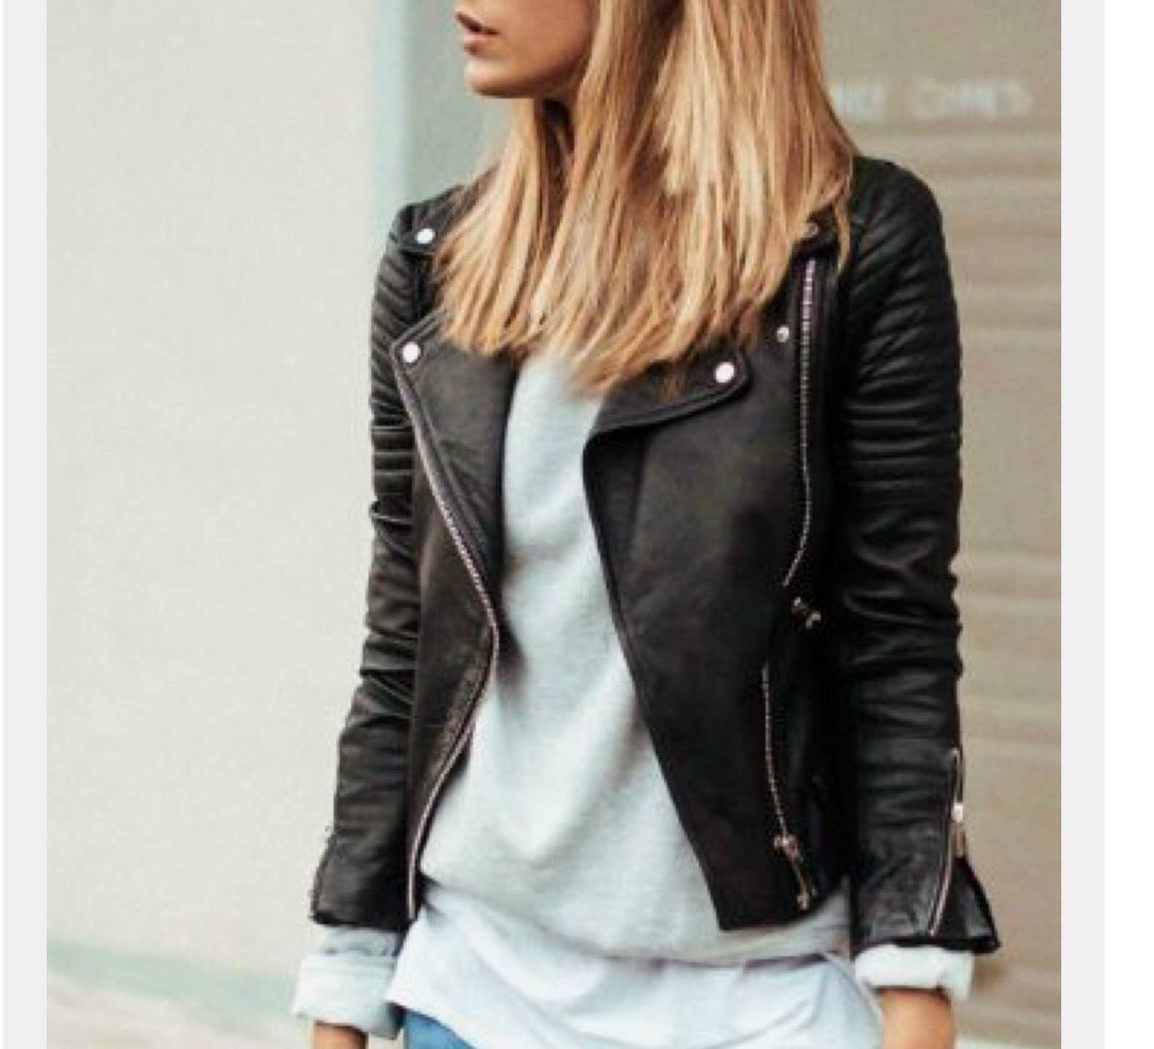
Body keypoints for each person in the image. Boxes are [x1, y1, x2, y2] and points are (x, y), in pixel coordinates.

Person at [292, 2, 1002, 1047]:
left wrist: (915, 978)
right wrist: (347, 978)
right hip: (473, 994)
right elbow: (408, 643)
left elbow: (893, 633)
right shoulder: (440, 265)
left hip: (756, 1002)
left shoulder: (846, 253)